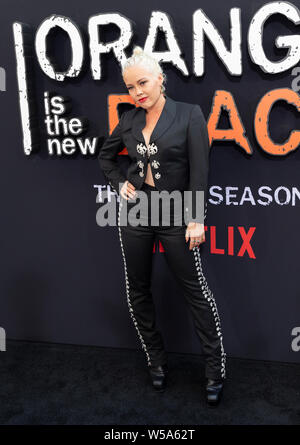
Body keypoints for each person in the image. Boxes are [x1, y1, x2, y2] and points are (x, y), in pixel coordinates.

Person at [98, 46, 226, 406]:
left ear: (160, 79)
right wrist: (119, 181)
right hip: (138, 211)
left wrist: (197, 218)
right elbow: (106, 157)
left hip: (177, 213)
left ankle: (215, 370)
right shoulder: (129, 120)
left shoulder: (189, 115)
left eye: (142, 82)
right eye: (130, 87)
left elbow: (200, 172)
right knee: (137, 289)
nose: (137, 92)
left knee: (195, 291)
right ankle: (156, 361)